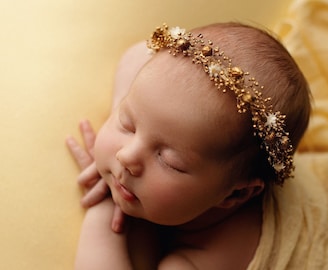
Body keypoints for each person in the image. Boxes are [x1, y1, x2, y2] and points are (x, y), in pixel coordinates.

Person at [66, 22, 311, 269]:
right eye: (128, 124)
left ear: (236, 194)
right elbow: (138, 53)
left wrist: (102, 212)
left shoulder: (212, 254)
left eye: (169, 161)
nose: (126, 156)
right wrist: (124, 102)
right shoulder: (178, 120)